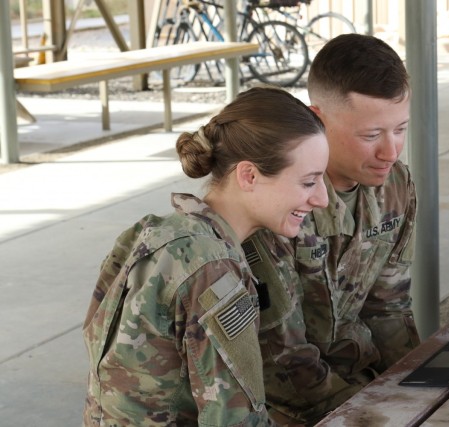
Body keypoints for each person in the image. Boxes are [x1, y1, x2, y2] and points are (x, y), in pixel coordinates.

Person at [82, 87, 329, 427]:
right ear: (249, 176)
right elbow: (236, 420)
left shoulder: (153, 233)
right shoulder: (213, 269)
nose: (322, 199)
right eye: (309, 182)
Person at [245, 34, 419, 425]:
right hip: (282, 406)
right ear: (317, 119)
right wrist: (377, 416)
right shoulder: (279, 201)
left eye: (401, 129)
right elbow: (282, 359)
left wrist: (420, 390)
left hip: (359, 382)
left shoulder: (395, 185)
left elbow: (388, 306)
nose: (390, 152)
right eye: (371, 135)